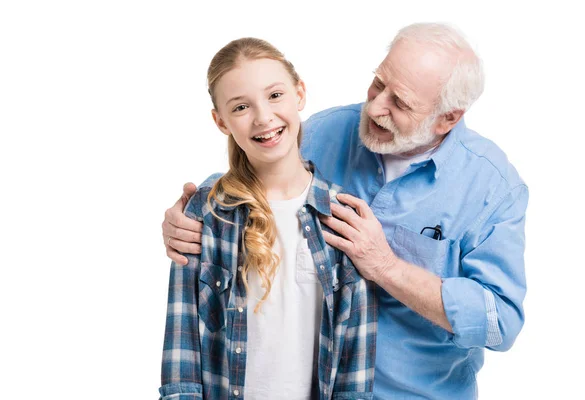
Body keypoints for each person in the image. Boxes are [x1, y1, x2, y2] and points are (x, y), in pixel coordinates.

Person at [163, 23, 528, 399]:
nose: (375, 106)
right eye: (378, 83)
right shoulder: (327, 132)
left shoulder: (491, 188)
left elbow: (499, 322)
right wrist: (197, 212)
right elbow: (261, 169)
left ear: (448, 117)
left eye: (399, 102)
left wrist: (386, 267)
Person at [159, 38, 377, 400]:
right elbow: (182, 345)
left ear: (300, 94)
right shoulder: (206, 211)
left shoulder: (342, 217)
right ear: (221, 121)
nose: (263, 117)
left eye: (275, 96)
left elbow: (355, 364)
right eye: (241, 106)